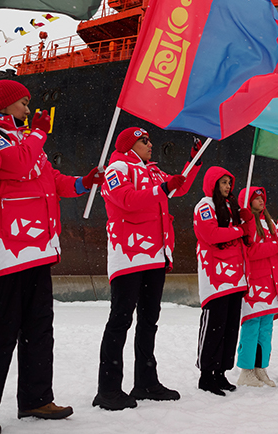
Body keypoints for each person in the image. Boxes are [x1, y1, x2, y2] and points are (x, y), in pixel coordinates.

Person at [0, 80, 102, 432]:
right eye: (24, 103)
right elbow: (12, 166)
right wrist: (38, 134)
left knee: (39, 329)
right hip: (6, 249)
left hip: (38, 249)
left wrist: (83, 183)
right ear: (6, 105)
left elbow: (51, 178)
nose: (29, 110)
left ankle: (36, 398)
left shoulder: (26, 139)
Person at [94, 127, 200, 409]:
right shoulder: (117, 168)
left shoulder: (152, 171)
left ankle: (145, 382)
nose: (151, 144)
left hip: (155, 255)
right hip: (128, 255)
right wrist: (162, 188)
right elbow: (127, 200)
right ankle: (108, 389)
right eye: (144, 140)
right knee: (120, 321)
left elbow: (178, 186)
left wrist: (194, 160)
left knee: (149, 321)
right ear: (130, 144)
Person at [194, 166, 248, 396]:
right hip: (215, 277)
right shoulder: (205, 205)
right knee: (214, 327)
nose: (228, 186)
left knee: (229, 327)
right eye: (223, 182)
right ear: (213, 183)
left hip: (235, 277)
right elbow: (212, 235)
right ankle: (206, 375)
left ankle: (221, 372)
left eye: (229, 182)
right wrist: (239, 230)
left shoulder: (229, 207)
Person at [236, 186, 278, 387]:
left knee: (266, 328)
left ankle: (261, 368)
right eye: (256, 198)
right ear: (248, 201)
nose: (261, 200)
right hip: (254, 283)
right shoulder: (245, 222)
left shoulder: (270, 223)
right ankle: (246, 370)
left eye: (262, 197)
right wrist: (276, 245)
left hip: (271, 283)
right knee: (251, 326)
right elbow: (250, 251)